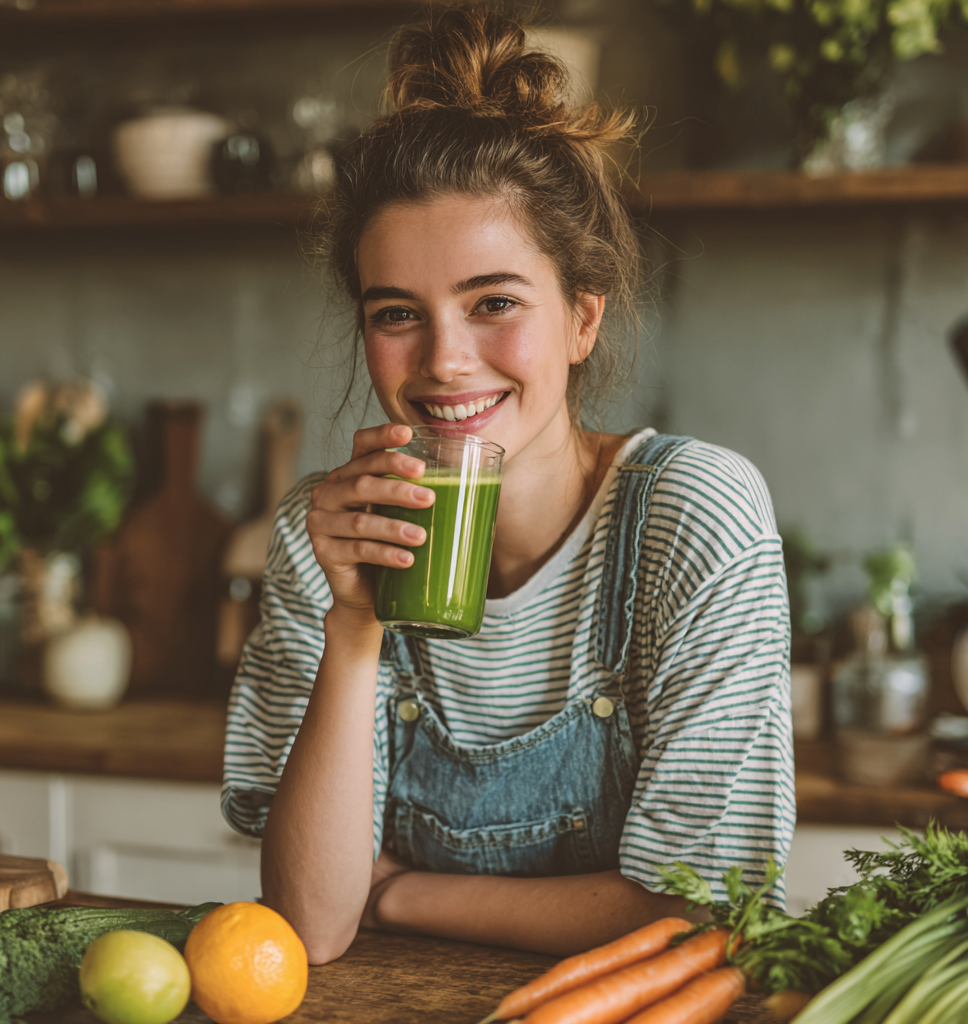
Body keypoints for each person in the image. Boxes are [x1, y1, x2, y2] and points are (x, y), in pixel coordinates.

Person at [222, 3, 794, 965]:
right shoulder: (323, 535)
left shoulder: (694, 515)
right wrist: (355, 631)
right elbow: (312, 926)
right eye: (398, 312)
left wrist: (398, 893)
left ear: (581, 320)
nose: (445, 361)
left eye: (494, 302)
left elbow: (703, 911)